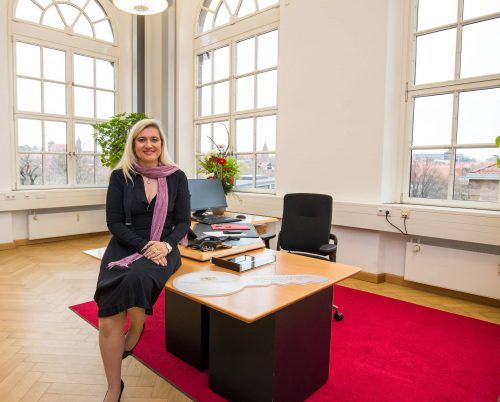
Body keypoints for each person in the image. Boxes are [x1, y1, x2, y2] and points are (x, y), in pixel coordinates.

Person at [93, 118, 190, 402]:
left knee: (137, 279)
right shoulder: (121, 176)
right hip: (126, 245)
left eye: (154, 139)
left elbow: (183, 222)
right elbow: (113, 222)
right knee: (108, 319)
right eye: (142, 139)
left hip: (165, 247)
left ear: (162, 144)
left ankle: (136, 326)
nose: (149, 145)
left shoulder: (177, 176)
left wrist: (165, 246)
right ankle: (114, 388)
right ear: (133, 144)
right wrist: (145, 246)